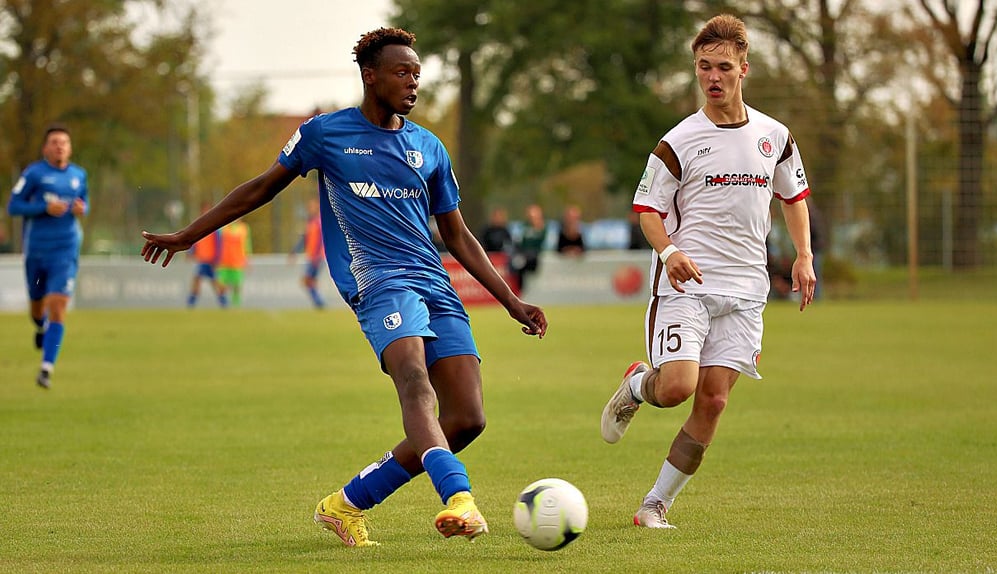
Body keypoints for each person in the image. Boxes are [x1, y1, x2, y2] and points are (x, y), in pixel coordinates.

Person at [141, 27, 547, 547]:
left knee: (467, 419)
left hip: (434, 283)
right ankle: (459, 497)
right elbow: (260, 189)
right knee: (414, 383)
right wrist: (187, 236)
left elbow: (458, 234)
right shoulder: (325, 134)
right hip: (377, 282)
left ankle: (346, 505)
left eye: (417, 73)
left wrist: (511, 300)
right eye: (401, 72)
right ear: (370, 76)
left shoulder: (429, 147)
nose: (413, 82)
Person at [599, 14, 815, 529]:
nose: (712, 77)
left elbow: (793, 196)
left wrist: (804, 255)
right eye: (703, 67)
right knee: (677, 387)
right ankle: (638, 386)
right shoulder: (678, 141)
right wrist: (669, 252)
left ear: (744, 69)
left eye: (723, 67)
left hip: (746, 291)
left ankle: (655, 505)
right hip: (687, 286)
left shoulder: (775, 136)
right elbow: (647, 210)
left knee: (713, 401)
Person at [6, 124, 89, 389]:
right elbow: (13, 206)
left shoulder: (79, 175)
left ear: (70, 148)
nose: (60, 146)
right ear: (45, 148)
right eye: (54, 142)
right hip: (37, 252)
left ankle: (46, 368)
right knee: (37, 308)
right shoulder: (34, 174)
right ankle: (40, 327)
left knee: (58, 305)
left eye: (64, 142)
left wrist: (81, 208)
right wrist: (44, 207)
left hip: (65, 250)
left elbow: (84, 203)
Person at [186, 202, 229, 309]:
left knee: (214, 281)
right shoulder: (199, 226)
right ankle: (191, 302)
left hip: (211, 260)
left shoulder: (215, 227)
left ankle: (223, 301)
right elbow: (194, 241)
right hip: (202, 259)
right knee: (197, 279)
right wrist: (191, 252)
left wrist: (217, 259)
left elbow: (218, 244)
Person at [289, 198, 326, 309]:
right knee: (308, 281)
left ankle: (319, 302)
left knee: (307, 280)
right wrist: (294, 252)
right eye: (309, 207)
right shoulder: (310, 223)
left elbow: (321, 240)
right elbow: (304, 240)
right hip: (311, 256)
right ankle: (319, 302)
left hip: (316, 257)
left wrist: (316, 256)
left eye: (312, 207)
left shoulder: (319, 222)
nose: (310, 209)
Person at [511, 203, 547, 292]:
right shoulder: (523, 227)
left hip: (537, 256)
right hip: (524, 255)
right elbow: (517, 242)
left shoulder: (545, 228)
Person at [217, 218, 250, 307]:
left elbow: (246, 244)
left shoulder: (244, 228)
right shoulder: (224, 228)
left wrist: (247, 259)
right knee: (222, 284)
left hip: (237, 261)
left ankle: (236, 304)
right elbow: (218, 243)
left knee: (237, 284)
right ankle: (223, 303)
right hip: (224, 261)